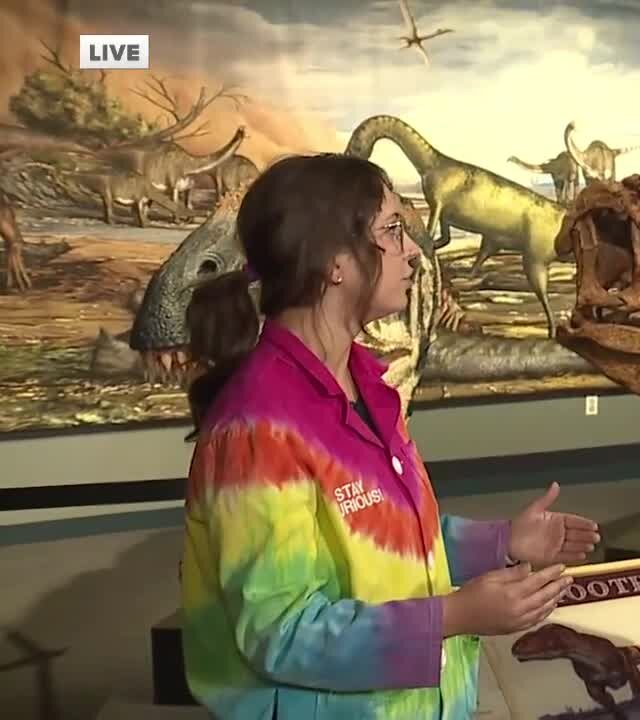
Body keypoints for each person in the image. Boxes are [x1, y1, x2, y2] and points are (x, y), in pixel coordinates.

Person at [179, 153, 601, 720]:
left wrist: (501, 542)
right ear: (334, 262)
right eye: (393, 230)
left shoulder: (369, 387)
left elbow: (383, 547)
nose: (414, 252)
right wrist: (453, 615)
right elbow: (280, 633)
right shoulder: (259, 430)